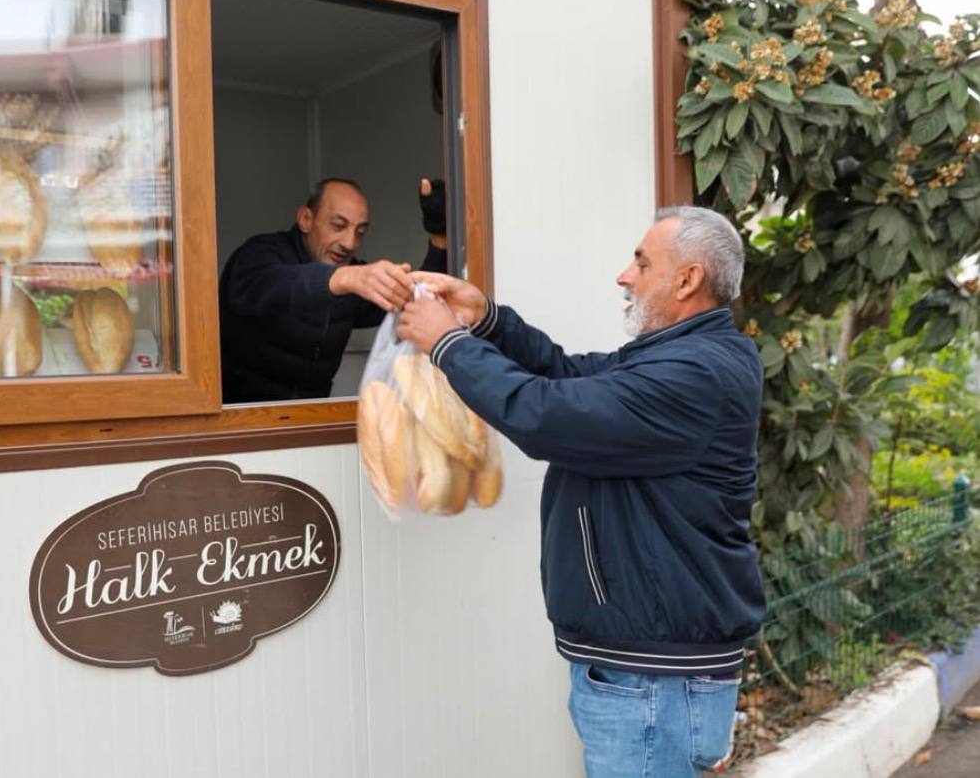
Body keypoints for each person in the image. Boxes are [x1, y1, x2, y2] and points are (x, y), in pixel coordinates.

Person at [396, 206, 766, 777]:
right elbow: (567, 375)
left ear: (688, 279)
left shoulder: (694, 375)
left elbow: (546, 416)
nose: (625, 275)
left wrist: (447, 345)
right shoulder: (682, 357)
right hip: (650, 668)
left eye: (642, 263)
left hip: (653, 678)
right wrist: (488, 320)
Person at [219, 177, 447, 403]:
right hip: (240, 424)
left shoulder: (352, 278)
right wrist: (342, 278)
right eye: (338, 226)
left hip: (315, 421)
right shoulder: (259, 254)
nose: (349, 243)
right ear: (306, 219)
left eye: (359, 232)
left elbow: (412, 300)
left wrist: (439, 239)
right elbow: (273, 286)